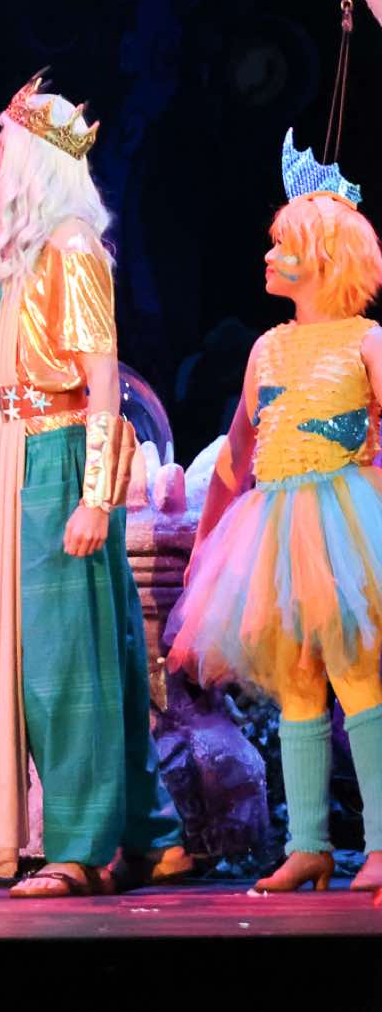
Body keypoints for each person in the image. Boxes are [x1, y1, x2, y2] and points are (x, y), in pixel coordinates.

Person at [0, 75, 176, 896]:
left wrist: (97, 495)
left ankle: (79, 848)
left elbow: (101, 380)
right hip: (15, 455)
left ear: (38, 157)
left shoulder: (73, 247)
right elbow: (25, 374)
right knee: (57, 653)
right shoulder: (24, 256)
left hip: (60, 462)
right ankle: (152, 837)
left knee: (65, 664)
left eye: (7, 146)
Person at [168, 133, 382, 893]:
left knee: (357, 675)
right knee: (297, 681)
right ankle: (310, 843)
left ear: (323, 258)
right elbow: (237, 452)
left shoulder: (367, 340)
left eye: (281, 246)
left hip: (345, 523)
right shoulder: (266, 348)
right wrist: (206, 542)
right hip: (274, 530)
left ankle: (381, 842)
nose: (266, 256)